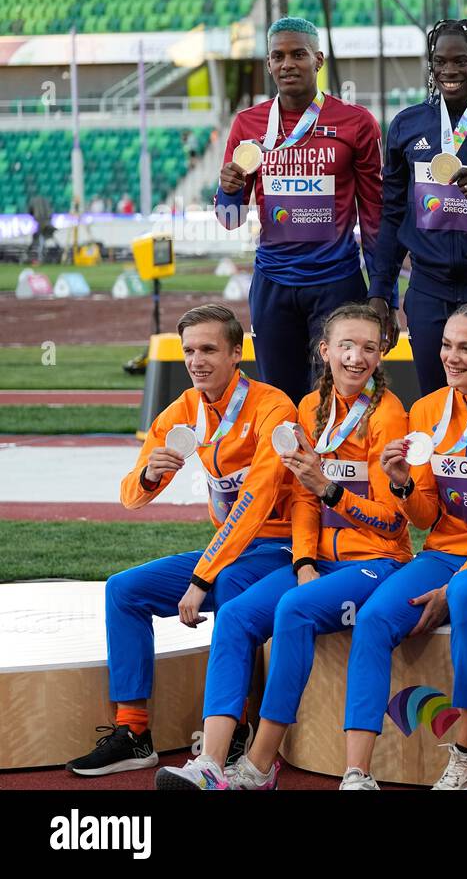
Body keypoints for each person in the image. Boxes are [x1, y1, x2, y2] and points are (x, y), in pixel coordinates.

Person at [156, 304, 411, 789]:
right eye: (346, 346)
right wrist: (304, 559)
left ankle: (258, 764)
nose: (356, 358)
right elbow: (302, 498)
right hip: (322, 560)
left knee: (293, 608)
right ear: (325, 351)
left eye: (369, 349)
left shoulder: (388, 415)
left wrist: (331, 490)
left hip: (378, 560)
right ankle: (210, 763)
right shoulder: (311, 410)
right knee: (233, 616)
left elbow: (393, 520)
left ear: (380, 356)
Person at [66, 305, 296, 777]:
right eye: (189, 350)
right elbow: (130, 496)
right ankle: (134, 732)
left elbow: (254, 507)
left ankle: (236, 736)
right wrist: (149, 475)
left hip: (281, 550)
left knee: (230, 586)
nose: (197, 360)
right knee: (123, 590)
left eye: (209, 349)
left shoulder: (274, 408)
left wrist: (200, 577)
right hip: (229, 552)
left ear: (237, 353)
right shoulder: (186, 410)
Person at [340, 290, 467, 790]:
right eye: (447, 345)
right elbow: (425, 515)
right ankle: (357, 771)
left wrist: (459, 581)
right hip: (440, 552)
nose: (452, 357)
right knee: (372, 618)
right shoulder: (427, 409)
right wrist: (402, 484)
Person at [214, 16, 385, 401]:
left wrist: (381, 290)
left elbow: (374, 213)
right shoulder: (247, 124)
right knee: (280, 399)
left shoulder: (355, 123)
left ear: (318, 60)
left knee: (340, 397)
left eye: (298, 54)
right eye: (278, 56)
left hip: (336, 282)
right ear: (268, 64)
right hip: (273, 284)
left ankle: (338, 464)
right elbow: (229, 220)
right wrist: (228, 192)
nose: (288, 63)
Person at [367, 19, 467, 396]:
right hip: (428, 288)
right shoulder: (407, 125)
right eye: (440, 61)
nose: (449, 71)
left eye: (461, 61)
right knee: (434, 404)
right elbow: (393, 214)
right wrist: (380, 290)